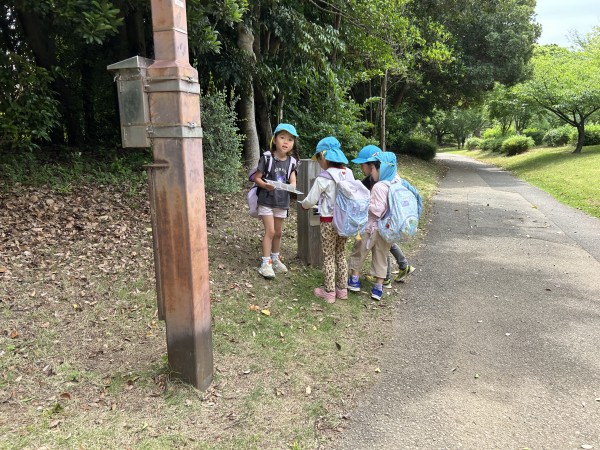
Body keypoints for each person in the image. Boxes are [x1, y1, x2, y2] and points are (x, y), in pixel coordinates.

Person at [351, 146, 415, 287]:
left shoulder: (378, 182)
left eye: (363, 165)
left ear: (372, 165)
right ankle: (400, 267)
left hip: (378, 223)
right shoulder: (391, 177)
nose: (362, 168)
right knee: (385, 246)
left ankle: (385, 277)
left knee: (377, 248)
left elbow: (376, 209)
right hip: (390, 223)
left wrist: (365, 205)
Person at [300, 136, 353, 303]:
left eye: (318, 158)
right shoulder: (348, 173)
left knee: (328, 255)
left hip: (328, 222)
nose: (318, 162)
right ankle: (342, 290)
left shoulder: (324, 177)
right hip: (345, 221)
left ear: (323, 156)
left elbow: (311, 199)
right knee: (341, 254)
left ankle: (329, 292)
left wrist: (304, 206)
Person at [347, 151, 400, 300]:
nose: (371, 172)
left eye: (373, 169)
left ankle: (354, 280)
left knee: (359, 251)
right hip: (387, 229)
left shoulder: (378, 187)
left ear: (381, 169)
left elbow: (377, 210)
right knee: (381, 256)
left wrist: (365, 203)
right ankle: (378, 288)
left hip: (370, 228)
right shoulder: (395, 183)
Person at [254, 123, 299, 279]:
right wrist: (265, 185)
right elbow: (257, 178)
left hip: (282, 202)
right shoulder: (267, 158)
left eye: (290, 139)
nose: (286, 142)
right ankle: (265, 263)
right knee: (271, 231)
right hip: (266, 200)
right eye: (282, 137)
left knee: (278, 232)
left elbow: (293, 182)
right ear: (274, 139)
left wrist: (292, 187)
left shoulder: (292, 162)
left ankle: (275, 258)